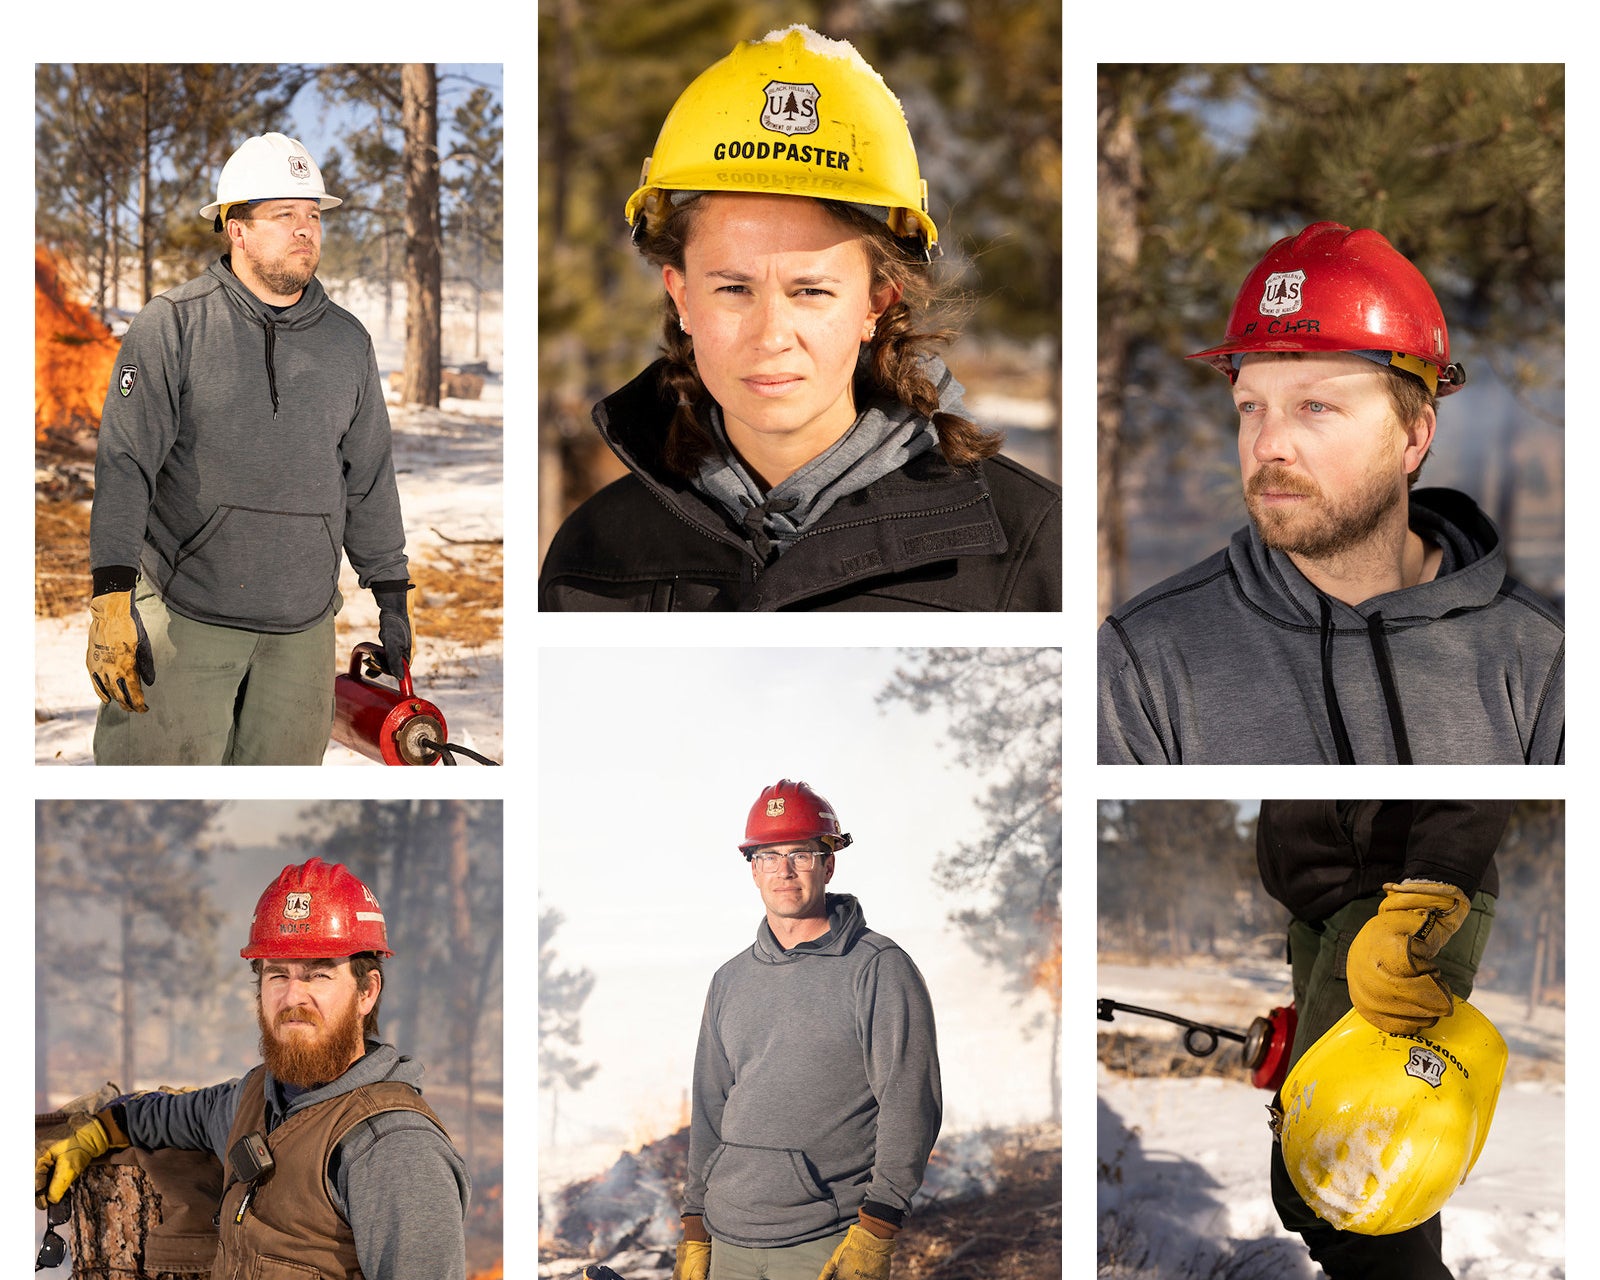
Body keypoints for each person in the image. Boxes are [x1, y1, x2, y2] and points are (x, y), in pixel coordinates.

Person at [538, 25, 1061, 611]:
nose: (770, 337)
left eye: (810, 291)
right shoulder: (593, 556)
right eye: (734, 288)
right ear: (682, 297)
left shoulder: (1030, 550)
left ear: (876, 302)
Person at [1098, 221, 1563, 763]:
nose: (1268, 445)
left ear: (1414, 438)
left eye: (1315, 407)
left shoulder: (1542, 657)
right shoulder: (1143, 661)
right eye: (1251, 408)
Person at [34, 857, 470, 1280]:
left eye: (319, 975)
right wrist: (101, 1128)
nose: (293, 996)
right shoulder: (252, 1100)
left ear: (367, 992)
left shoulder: (393, 1148)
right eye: (277, 974)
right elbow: (171, 1116)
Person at [88, 132, 414, 764]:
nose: (305, 230)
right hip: (186, 618)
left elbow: (368, 478)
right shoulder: (172, 324)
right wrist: (109, 596)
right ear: (236, 228)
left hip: (302, 633)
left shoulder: (349, 343)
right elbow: (125, 464)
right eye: (284, 215)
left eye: (314, 215)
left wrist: (392, 596)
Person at [674, 780, 942, 1280]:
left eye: (798, 852)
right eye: (767, 856)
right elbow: (710, 1106)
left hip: (828, 1244)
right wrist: (694, 1225)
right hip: (733, 1242)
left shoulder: (879, 970)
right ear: (751, 867)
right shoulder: (730, 979)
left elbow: (912, 1103)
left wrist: (879, 1226)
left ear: (829, 858)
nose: (783, 871)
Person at [1255, 800, 1511, 1280]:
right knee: (1383, 1166)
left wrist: (1429, 895)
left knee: (1321, 1173)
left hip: (1402, 894)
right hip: (1326, 897)